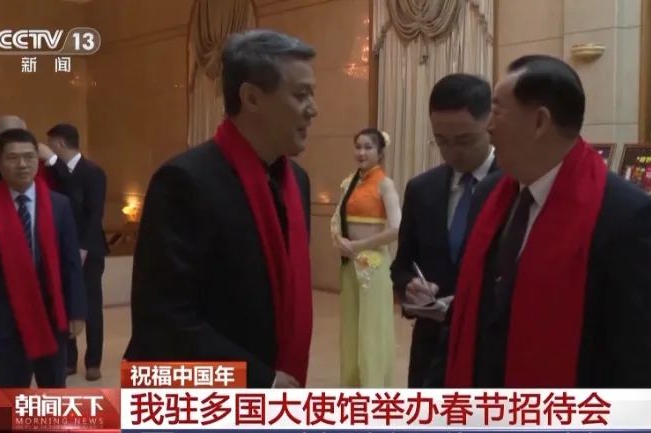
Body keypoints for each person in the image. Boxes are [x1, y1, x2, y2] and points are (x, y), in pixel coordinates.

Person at [438, 55, 651, 387]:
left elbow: (636, 363)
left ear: (540, 122)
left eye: (497, 112)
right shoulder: (489, 194)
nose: (488, 127)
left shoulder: (624, 215)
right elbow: (469, 313)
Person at [123, 29, 317, 388]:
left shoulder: (298, 182)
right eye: (301, 95)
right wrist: (260, 380)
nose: (313, 110)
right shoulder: (184, 182)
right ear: (252, 98)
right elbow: (164, 319)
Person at [390, 74, 497, 387]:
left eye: (464, 140)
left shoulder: (516, 186)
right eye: (441, 141)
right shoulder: (422, 189)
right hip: (430, 350)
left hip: (489, 354)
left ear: (490, 124)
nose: (452, 152)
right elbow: (401, 267)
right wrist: (410, 288)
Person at [0, 128, 85, 393]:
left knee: (53, 391)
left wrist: (77, 311)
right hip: (4, 321)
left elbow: (71, 264)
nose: (23, 164)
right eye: (13, 158)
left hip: (51, 316)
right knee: (6, 395)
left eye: (29, 157)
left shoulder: (59, 205)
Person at [331, 128, 400, 387]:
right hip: (351, 263)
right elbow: (338, 219)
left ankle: (373, 389)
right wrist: (340, 241)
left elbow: (396, 228)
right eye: (358, 146)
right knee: (351, 329)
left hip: (374, 265)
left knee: (371, 331)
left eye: (368, 147)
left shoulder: (384, 184)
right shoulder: (350, 182)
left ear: (380, 153)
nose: (361, 152)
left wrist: (359, 245)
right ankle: (352, 389)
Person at [42, 123, 108, 381]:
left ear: (59, 143)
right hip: (62, 248)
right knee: (66, 303)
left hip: (89, 249)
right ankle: (69, 359)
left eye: (51, 144)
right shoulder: (54, 172)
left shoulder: (93, 172)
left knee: (91, 306)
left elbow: (94, 215)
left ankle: (93, 361)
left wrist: (83, 248)